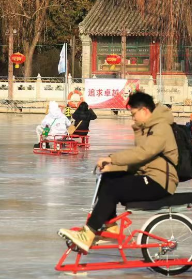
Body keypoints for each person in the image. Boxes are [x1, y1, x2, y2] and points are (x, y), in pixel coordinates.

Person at [58, 91, 178, 253]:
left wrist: (113, 159)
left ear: (144, 110)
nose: (133, 118)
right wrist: (112, 167)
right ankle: (111, 225)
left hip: (160, 181)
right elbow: (140, 161)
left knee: (113, 189)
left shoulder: (161, 128)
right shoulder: (148, 128)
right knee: (108, 177)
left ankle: (88, 233)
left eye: (134, 114)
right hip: (149, 176)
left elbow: (144, 153)